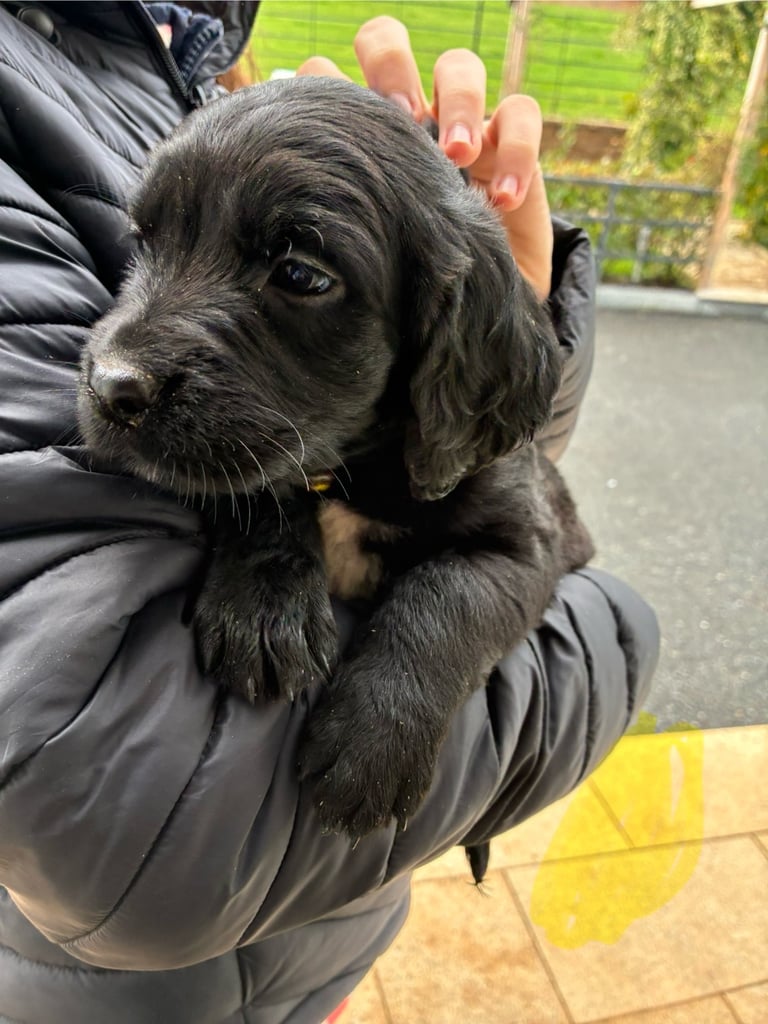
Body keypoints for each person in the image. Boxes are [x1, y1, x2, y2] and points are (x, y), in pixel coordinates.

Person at [0, 4, 659, 1023]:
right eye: (151, 246)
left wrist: (417, 673)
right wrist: (262, 538)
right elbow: (122, 831)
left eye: (299, 274)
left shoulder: (181, 66)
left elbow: (518, 529)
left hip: (322, 947)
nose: (121, 357)